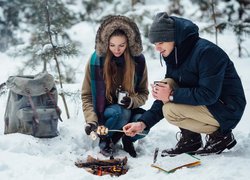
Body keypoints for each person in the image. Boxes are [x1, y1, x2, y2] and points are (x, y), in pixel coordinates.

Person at [123, 12, 246, 156]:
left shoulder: (207, 52)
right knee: (167, 84)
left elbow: (209, 94)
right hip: (210, 105)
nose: (157, 48)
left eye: (160, 42)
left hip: (227, 108)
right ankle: (191, 139)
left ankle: (221, 137)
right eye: (155, 44)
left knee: (170, 110)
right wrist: (143, 123)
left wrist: (171, 95)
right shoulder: (175, 54)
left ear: (173, 38)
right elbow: (166, 94)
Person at [81, 15, 149, 157]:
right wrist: (91, 121)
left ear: (129, 43)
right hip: (106, 115)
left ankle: (127, 139)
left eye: (121, 45)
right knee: (120, 111)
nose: (116, 50)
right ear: (106, 43)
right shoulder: (96, 61)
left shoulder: (138, 62)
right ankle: (106, 141)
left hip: (129, 111)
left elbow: (143, 93)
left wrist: (132, 101)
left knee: (144, 126)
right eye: (112, 45)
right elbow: (87, 95)